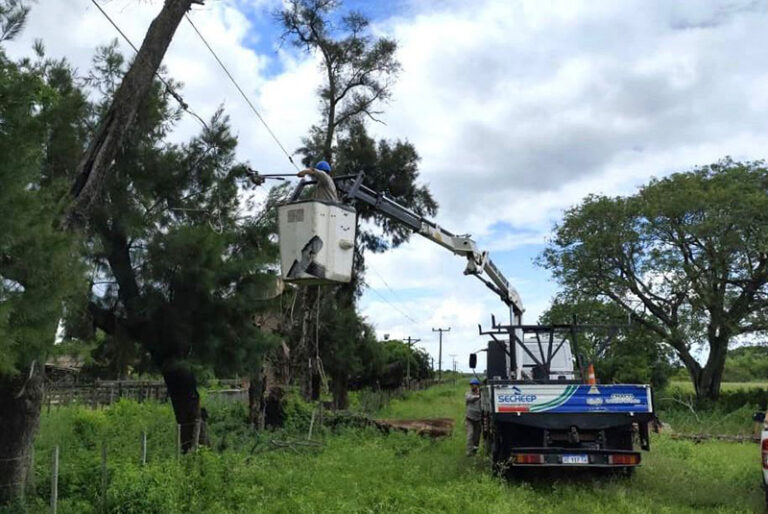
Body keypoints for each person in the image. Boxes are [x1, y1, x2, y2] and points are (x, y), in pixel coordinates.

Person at [465, 377, 482, 456]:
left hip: (478, 419)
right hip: (469, 419)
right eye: (471, 385)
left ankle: (475, 450)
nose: (472, 386)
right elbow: (470, 399)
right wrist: (478, 396)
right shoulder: (468, 394)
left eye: (474, 385)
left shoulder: (481, 394)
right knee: (470, 435)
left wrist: (480, 395)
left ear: (477, 386)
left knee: (477, 437)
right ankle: (469, 452)